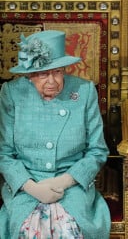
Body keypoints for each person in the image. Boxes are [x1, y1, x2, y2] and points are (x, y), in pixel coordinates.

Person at [0, 30, 111, 239]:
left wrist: (63, 182)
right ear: (30, 75)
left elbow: (97, 150)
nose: (52, 80)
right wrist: (31, 187)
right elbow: (4, 154)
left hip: (72, 186)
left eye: (58, 71)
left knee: (67, 228)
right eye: (43, 74)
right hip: (27, 186)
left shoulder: (84, 91)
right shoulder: (12, 93)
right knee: (29, 229)